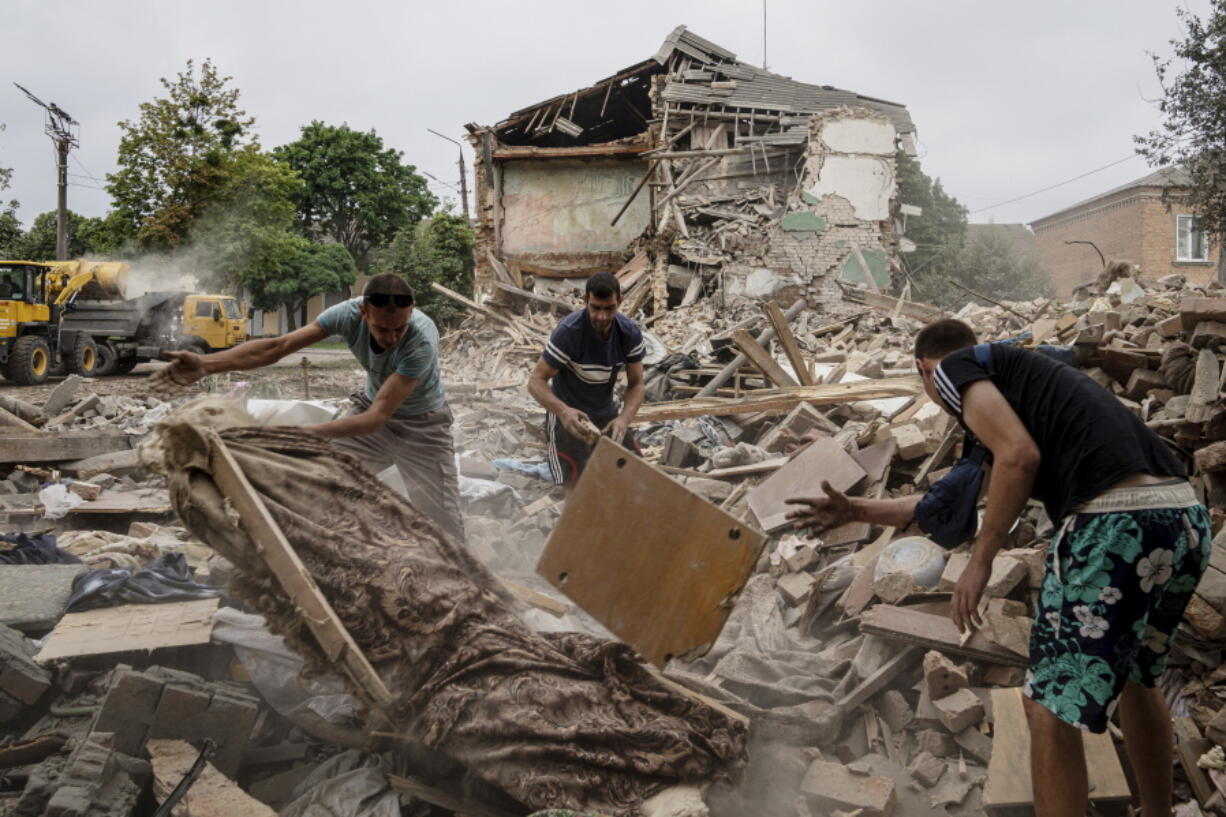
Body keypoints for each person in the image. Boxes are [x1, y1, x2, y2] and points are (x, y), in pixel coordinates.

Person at [787, 318, 1208, 817]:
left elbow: (1019, 457)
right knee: (1139, 676)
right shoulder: (1022, 386)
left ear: (923, 369)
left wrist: (980, 562)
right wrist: (858, 512)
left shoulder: (951, 369)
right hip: (1181, 518)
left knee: (1049, 706)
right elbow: (946, 503)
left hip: (1115, 525)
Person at [151, 274, 465, 543]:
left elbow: (375, 419)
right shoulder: (344, 314)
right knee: (317, 481)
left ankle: (469, 589)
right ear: (363, 313)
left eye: (400, 328)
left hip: (422, 428)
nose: (393, 338)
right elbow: (277, 348)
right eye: (383, 329)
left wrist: (299, 434)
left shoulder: (421, 342)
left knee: (443, 521)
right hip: (370, 410)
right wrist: (206, 364)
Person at [528, 271, 646, 492]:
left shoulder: (629, 334)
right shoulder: (569, 333)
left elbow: (637, 384)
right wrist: (563, 411)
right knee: (576, 480)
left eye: (609, 308)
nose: (602, 316)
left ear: (619, 301)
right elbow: (535, 381)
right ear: (585, 301)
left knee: (634, 472)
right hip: (566, 413)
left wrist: (623, 419)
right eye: (596, 308)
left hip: (605, 412)